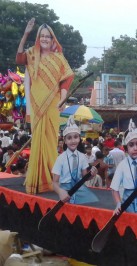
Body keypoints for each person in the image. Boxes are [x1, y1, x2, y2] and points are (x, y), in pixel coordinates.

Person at [17, 18, 74, 194]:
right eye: (41, 36)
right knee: (37, 142)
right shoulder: (31, 54)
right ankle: (35, 179)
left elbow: (67, 79)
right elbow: (19, 58)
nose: (44, 39)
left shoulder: (58, 58)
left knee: (50, 141)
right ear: (38, 38)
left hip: (52, 105)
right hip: (35, 104)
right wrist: (26, 33)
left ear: (52, 39)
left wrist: (62, 99)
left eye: (48, 37)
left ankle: (52, 179)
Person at [52, 116, 98, 204]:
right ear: (65, 140)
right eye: (69, 138)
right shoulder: (60, 159)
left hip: (79, 189)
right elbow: (54, 183)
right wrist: (60, 191)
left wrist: (92, 175)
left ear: (79, 138)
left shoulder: (82, 157)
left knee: (94, 204)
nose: (73, 141)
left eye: (75, 137)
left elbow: (84, 177)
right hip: (65, 191)